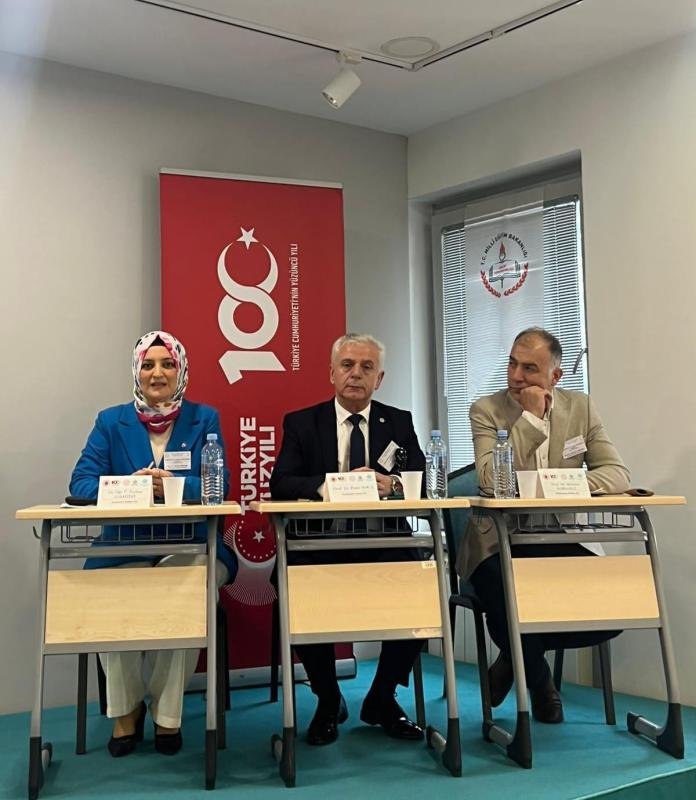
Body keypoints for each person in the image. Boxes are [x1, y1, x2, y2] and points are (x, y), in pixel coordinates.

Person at [69, 330, 237, 757]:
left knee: (185, 592)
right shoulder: (111, 422)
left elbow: (220, 487)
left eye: (167, 364)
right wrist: (132, 486)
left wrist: (172, 485)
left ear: (181, 372)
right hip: (122, 549)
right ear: (136, 372)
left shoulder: (204, 418)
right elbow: (81, 484)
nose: (157, 373)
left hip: (192, 544)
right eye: (148, 365)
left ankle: (167, 713)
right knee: (112, 599)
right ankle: (127, 710)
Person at [456, 327, 630, 724]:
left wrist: (565, 485)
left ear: (556, 375)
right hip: (497, 543)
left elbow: (617, 473)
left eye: (530, 368)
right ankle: (540, 681)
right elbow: (492, 480)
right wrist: (531, 419)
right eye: (512, 364)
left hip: (561, 536)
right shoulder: (486, 410)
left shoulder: (580, 408)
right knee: (504, 600)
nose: (516, 376)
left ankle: (511, 660)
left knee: (616, 608)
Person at [270, 333, 425, 746]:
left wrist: (392, 484)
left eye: (366, 367)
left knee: (427, 589)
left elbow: (424, 482)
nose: (356, 374)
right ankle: (327, 698)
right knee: (291, 587)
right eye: (347, 365)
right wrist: (329, 486)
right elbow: (280, 483)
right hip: (320, 544)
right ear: (332, 373)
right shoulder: (303, 423)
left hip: (384, 544)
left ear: (380, 379)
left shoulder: (399, 422)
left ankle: (382, 697)